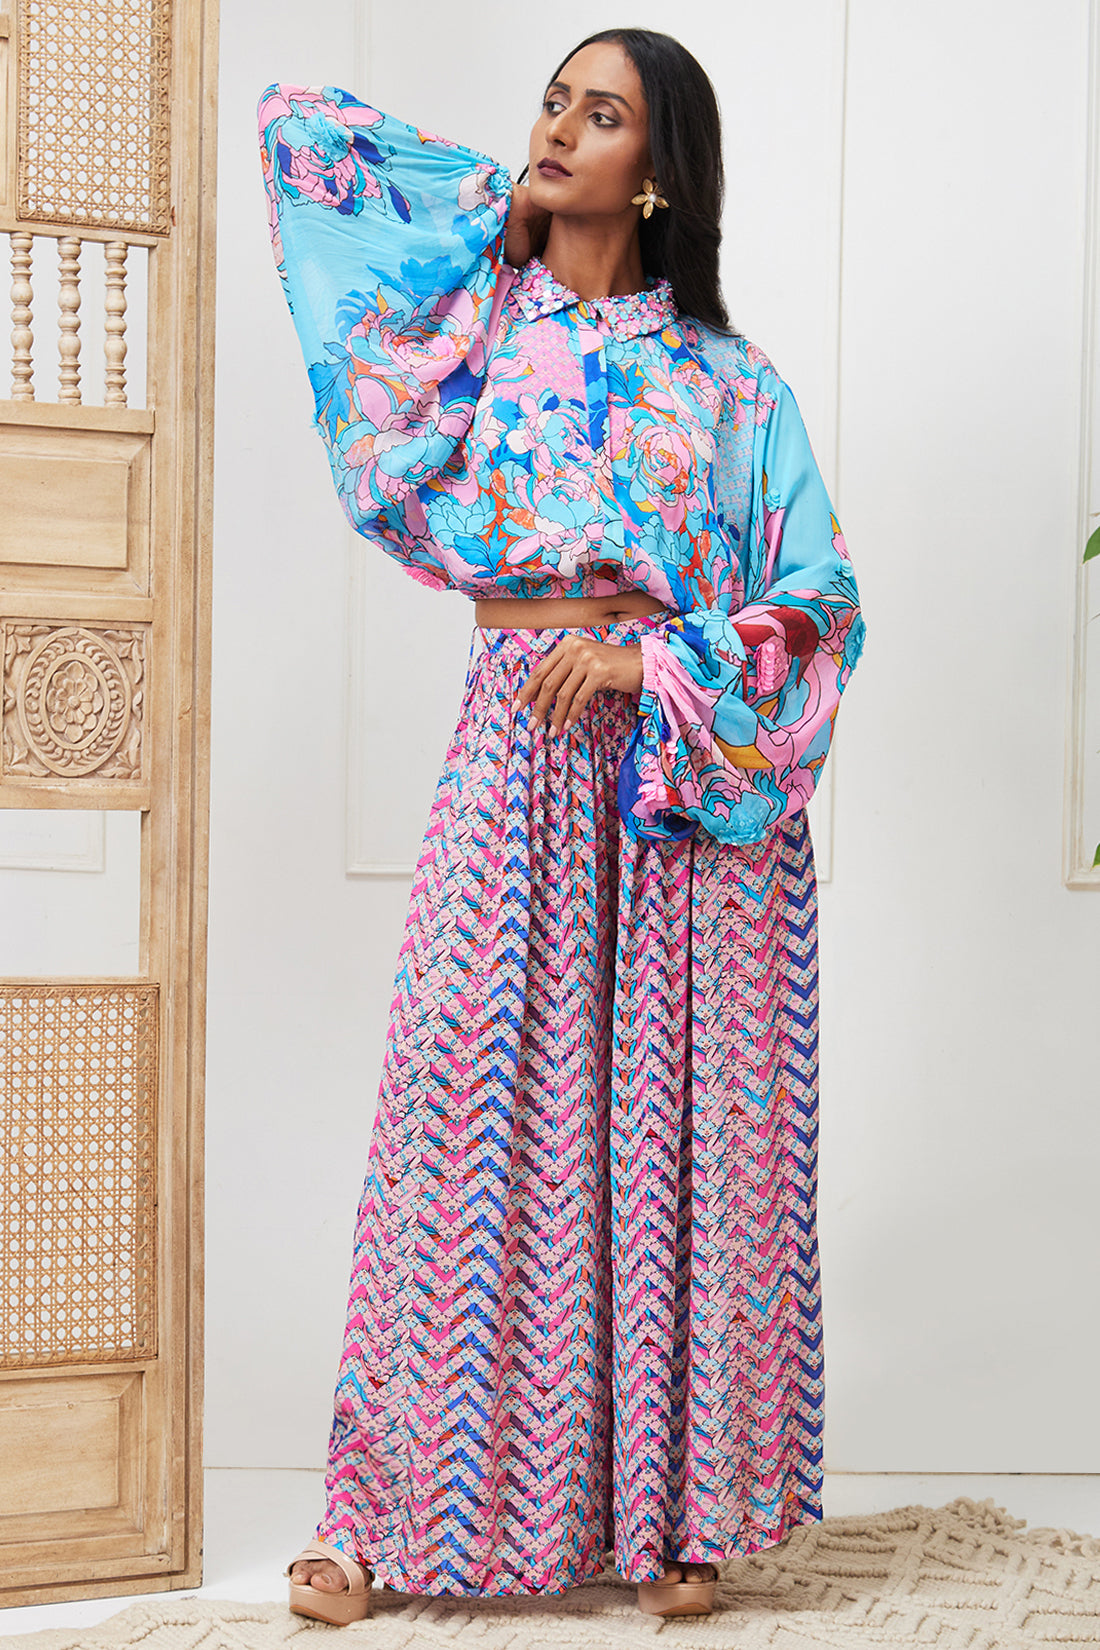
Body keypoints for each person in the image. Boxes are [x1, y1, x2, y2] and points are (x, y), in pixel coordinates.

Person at [258, 25, 865, 1627]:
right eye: (554, 102)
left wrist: (656, 662)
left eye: (602, 116)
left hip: (674, 785)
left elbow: (823, 601)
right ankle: (383, 1516)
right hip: (517, 745)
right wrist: (496, 210)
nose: (559, 129)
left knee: (679, 1140)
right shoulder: (483, 321)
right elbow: (304, 137)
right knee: (464, 1120)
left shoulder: (730, 385)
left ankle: (683, 1517)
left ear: (658, 169)